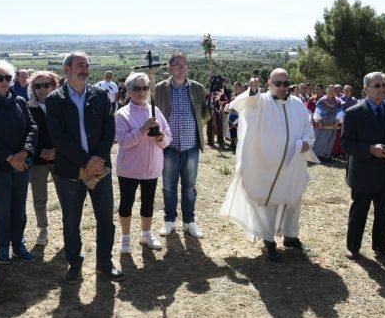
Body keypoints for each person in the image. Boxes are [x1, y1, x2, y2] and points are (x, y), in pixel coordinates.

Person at [220, 69, 318, 261]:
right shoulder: (261, 101)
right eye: (278, 83)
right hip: (266, 165)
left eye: (285, 83)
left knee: (293, 199)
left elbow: (308, 127)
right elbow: (243, 104)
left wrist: (307, 141)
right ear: (269, 83)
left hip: (293, 164)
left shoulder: (297, 104)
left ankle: (290, 236)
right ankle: (269, 241)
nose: (282, 87)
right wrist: (253, 90)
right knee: (269, 201)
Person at [45, 51, 124, 284]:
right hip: (70, 171)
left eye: (87, 65)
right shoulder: (54, 100)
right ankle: (74, 265)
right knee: (71, 221)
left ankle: (104, 264)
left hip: (100, 169)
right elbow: (59, 138)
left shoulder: (100, 96)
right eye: (80, 65)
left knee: (105, 220)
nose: (85, 70)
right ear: (66, 70)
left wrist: (98, 158)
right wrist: (85, 161)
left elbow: (109, 130)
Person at [0, 59, 38, 264]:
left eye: (8, 77)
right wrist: (10, 158)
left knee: (19, 209)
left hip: (21, 164)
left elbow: (32, 128)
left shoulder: (19, 102)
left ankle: (18, 244)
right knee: (3, 208)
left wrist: (25, 152)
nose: (5, 81)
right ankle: (3, 247)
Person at [341, 72, 385, 261]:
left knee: (383, 211)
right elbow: (346, 143)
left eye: (384, 85)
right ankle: (353, 247)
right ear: (366, 89)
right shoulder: (353, 113)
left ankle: (381, 246)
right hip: (364, 172)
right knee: (359, 210)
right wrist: (369, 149)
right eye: (377, 86)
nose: (382, 89)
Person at [154, 51, 211, 238]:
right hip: (168, 147)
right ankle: (169, 221)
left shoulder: (197, 88)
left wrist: (213, 103)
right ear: (170, 67)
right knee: (168, 187)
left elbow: (204, 115)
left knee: (189, 188)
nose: (182, 68)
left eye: (185, 64)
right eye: (177, 64)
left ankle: (189, 222)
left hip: (191, 147)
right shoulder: (160, 88)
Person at [115, 72, 171, 253]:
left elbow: (168, 137)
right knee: (127, 203)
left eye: (145, 88)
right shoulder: (122, 114)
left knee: (148, 203)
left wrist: (161, 138)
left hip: (151, 168)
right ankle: (125, 238)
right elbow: (124, 142)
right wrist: (143, 128)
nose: (141, 92)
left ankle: (146, 234)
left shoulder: (155, 111)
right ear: (129, 91)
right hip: (129, 169)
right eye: (137, 88)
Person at [26, 70, 60, 246]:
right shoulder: (27, 108)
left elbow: (69, 133)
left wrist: (58, 151)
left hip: (60, 159)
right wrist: (39, 152)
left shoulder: (63, 106)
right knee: (39, 198)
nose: (42, 89)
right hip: (37, 161)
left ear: (54, 85)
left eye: (46, 85)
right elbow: (24, 135)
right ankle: (43, 229)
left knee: (67, 196)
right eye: (37, 86)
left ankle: (70, 227)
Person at [312, 89, 343, 160]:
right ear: (326, 92)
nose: (331, 92)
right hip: (323, 121)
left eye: (332, 91)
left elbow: (340, 112)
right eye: (329, 91)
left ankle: (326, 155)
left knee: (331, 139)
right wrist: (320, 123)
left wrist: (337, 123)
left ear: (334, 92)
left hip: (333, 122)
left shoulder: (338, 101)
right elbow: (317, 112)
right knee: (320, 139)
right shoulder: (322, 100)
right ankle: (317, 155)